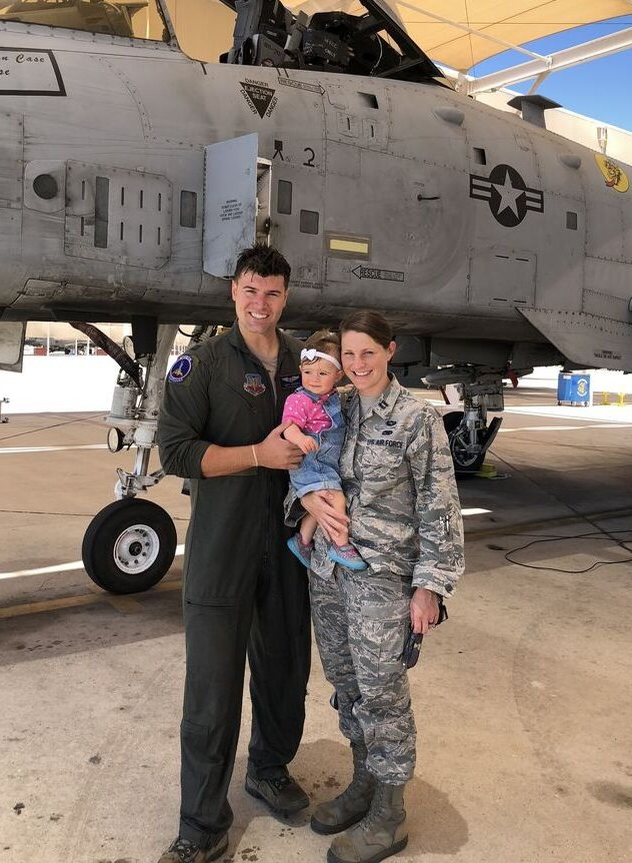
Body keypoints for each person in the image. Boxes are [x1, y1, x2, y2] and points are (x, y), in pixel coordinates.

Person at [155, 246, 310, 863]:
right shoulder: (202, 364)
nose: (260, 304)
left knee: (284, 673)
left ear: (285, 297)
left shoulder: (307, 362)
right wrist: (255, 455)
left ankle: (268, 769)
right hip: (224, 547)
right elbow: (176, 453)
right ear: (233, 293)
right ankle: (202, 824)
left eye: (272, 293)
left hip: (292, 546)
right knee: (213, 687)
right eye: (250, 291)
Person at [295, 310, 464, 863]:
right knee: (347, 687)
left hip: (384, 583)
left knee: (383, 696)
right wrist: (307, 508)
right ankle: (364, 784)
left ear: (390, 351)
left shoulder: (418, 419)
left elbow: (440, 508)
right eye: (348, 354)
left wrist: (430, 588)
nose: (358, 364)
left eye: (369, 353)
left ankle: (390, 817)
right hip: (328, 573)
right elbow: (302, 466)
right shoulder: (334, 407)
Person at [281, 331, 364, 571]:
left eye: (323, 373)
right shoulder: (300, 399)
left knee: (319, 508)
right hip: (310, 462)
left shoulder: (331, 398)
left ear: (338, 375)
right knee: (335, 498)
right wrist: (299, 438)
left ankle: (303, 541)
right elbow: (288, 427)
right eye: (307, 373)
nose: (313, 379)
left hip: (324, 463)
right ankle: (340, 544)